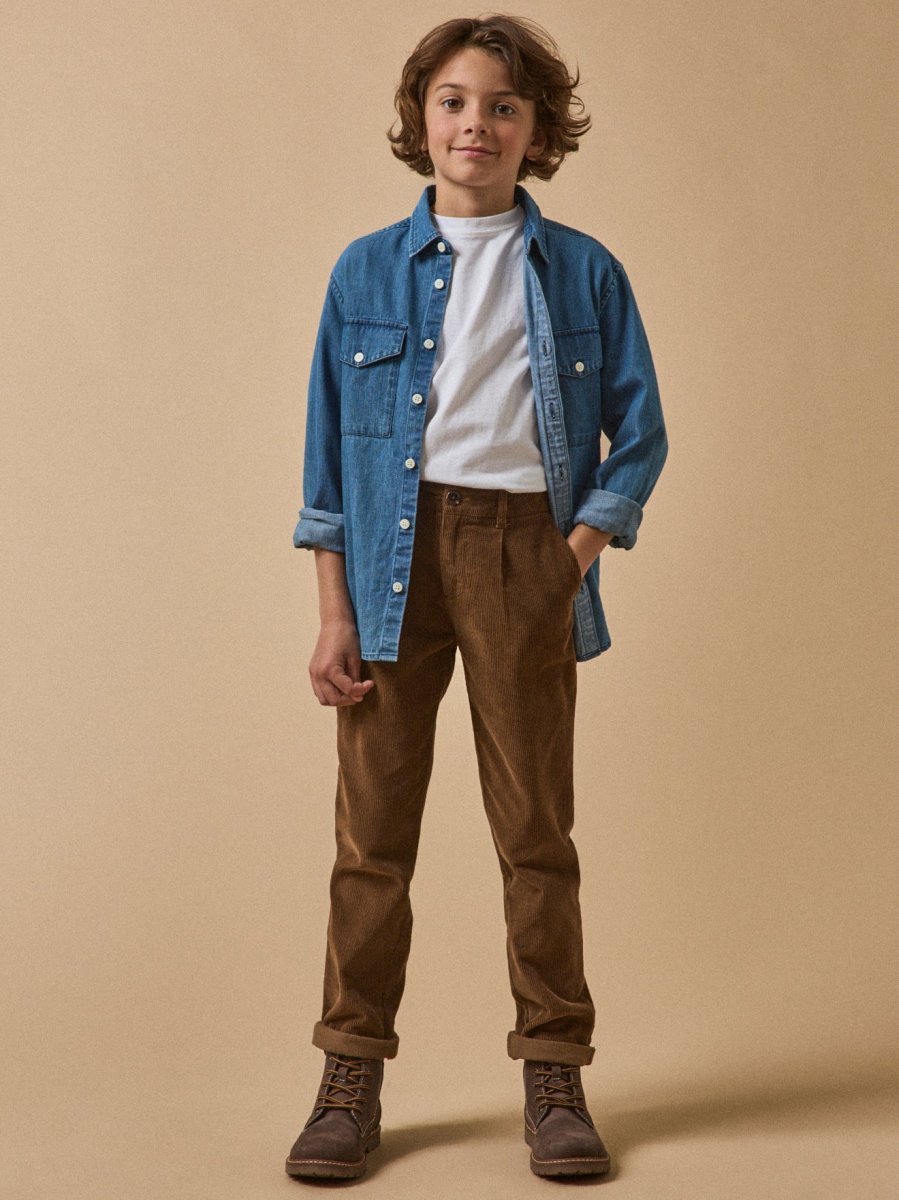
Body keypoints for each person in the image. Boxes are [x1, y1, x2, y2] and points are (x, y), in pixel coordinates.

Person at [284, 13, 668, 1182]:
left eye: (503, 106)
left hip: (520, 555)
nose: (475, 125)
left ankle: (553, 1074)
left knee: (534, 834)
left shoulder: (584, 271)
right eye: (453, 101)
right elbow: (325, 466)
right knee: (371, 840)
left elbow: (639, 435)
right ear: (420, 118)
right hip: (389, 564)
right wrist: (334, 612)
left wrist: (568, 559)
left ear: (536, 131)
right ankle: (349, 1077)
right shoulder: (363, 271)